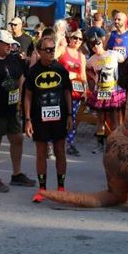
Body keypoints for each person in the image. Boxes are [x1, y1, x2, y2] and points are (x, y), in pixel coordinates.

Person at [0, 30, 36, 192]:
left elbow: (21, 77)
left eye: (11, 43)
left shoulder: (13, 58)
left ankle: (16, 174)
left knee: (17, 138)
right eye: (6, 43)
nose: (10, 46)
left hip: (12, 108)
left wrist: (21, 99)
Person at [24, 37, 73, 202]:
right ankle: (42, 190)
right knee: (41, 153)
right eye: (48, 50)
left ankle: (61, 187)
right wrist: (27, 119)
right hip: (39, 118)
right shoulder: (33, 72)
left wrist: (70, 115)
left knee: (60, 151)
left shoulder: (61, 70)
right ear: (39, 51)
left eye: (53, 49)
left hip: (59, 117)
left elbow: (67, 92)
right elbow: (28, 96)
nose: (51, 52)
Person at [86, 37, 126, 153]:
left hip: (113, 90)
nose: (96, 47)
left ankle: (115, 144)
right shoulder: (92, 59)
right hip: (101, 91)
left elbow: (122, 59)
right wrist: (93, 77)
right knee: (100, 118)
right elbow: (87, 68)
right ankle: (100, 144)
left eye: (97, 44)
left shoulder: (113, 54)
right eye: (93, 46)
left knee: (115, 118)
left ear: (102, 43)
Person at [59, 29, 87, 156]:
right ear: (70, 38)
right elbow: (52, 60)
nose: (77, 41)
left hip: (75, 90)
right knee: (58, 116)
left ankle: (70, 144)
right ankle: (51, 143)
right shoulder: (63, 50)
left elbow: (83, 75)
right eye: (75, 38)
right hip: (61, 88)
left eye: (80, 39)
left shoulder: (81, 56)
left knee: (72, 118)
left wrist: (85, 90)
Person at [105, 12, 128, 91]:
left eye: (119, 19)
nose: (116, 21)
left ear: (125, 21)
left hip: (126, 72)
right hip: (111, 73)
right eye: (115, 19)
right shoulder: (109, 35)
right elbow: (102, 52)